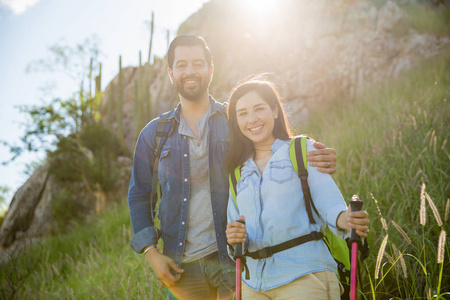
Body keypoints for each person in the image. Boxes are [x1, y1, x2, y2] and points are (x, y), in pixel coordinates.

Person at [128, 35, 339, 300]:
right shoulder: (154, 134)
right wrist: (151, 253)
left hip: (235, 259)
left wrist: (310, 151)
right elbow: (139, 194)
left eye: (198, 63)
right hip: (181, 267)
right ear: (171, 73)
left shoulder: (235, 119)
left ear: (210, 69)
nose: (190, 71)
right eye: (181, 65)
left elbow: (272, 144)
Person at [225, 79, 370, 300]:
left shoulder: (302, 150)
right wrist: (234, 237)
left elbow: (331, 207)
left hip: (305, 274)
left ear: (274, 110)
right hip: (252, 285)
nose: (251, 119)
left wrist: (347, 219)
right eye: (242, 113)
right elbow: (237, 238)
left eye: (259, 108)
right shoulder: (237, 174)